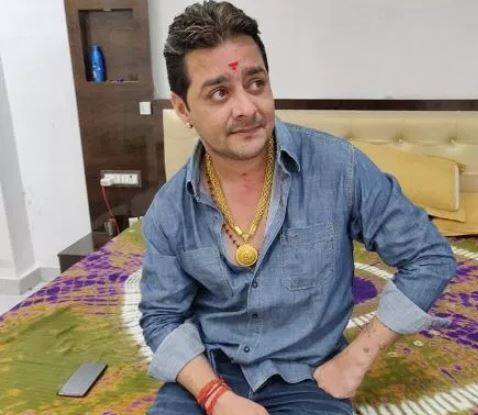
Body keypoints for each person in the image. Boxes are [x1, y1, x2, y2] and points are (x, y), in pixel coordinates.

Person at [139, 1, 457, 414]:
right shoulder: (170, 210)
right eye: (220, 93)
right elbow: (161, 317)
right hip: (207, 373)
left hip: (309, 375)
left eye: (256, 83)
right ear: (183, 109)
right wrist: (216, 397)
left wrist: (356, 359)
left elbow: (429, 257)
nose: (247, 108)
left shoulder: (340, 169)